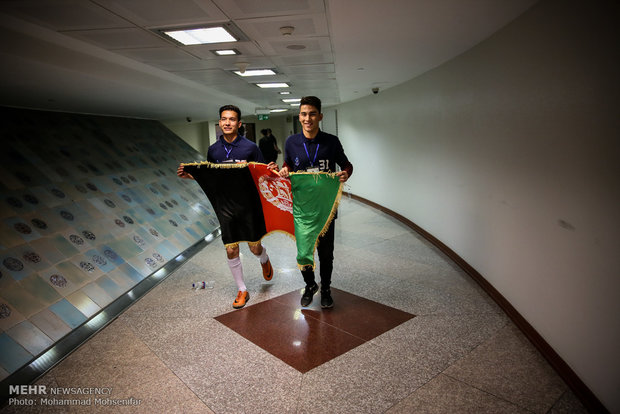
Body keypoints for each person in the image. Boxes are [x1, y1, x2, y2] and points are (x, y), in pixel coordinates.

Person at [177, 105, 275, 309]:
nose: (227, 123)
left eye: (231, 119)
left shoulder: (250, 148)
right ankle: (242, 289)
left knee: (254, 247)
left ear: (239, 124)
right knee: (231, 250)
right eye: (223, 119)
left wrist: (270, 170)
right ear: (220, 122)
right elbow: (212, 178)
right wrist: (192, 176)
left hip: (249, 205)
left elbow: (263, 175)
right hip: (225, 206)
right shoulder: (214, 150)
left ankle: (264, 258)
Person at [277, 96, 353, 308]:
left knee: (326, 253)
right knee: (303, 252)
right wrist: (285, 169)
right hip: (302, 208)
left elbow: (347, 165)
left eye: (312, 114)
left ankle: (326, 288)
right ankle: (310, 285)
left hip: (327, 208)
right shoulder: (291, 142)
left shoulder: (331, 141)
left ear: (320, 116)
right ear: (299, 116)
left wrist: (346, 174)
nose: (307, 118)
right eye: (303, 114)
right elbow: (288, 164)